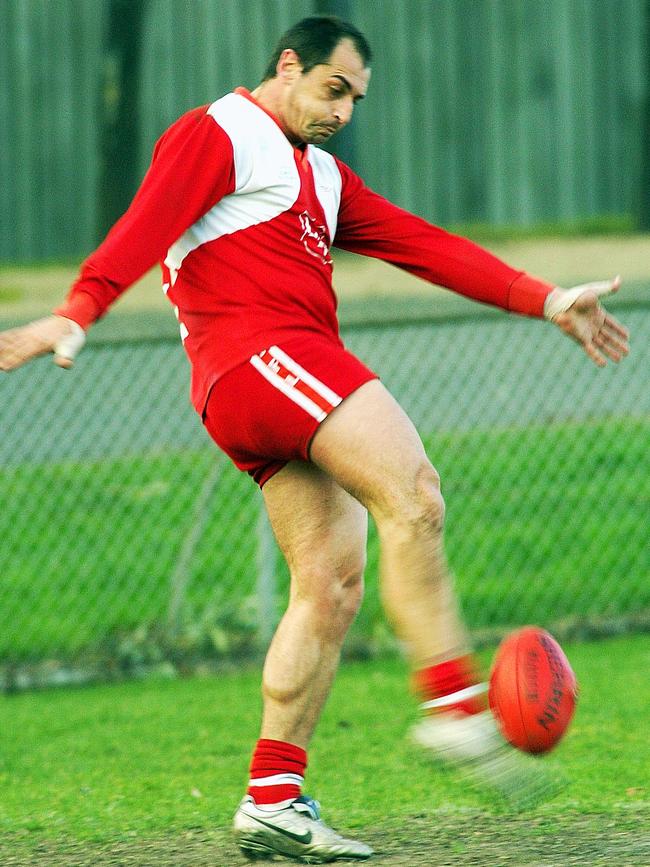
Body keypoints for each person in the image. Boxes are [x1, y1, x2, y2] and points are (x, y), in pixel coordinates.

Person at [0, 15, 629, 864]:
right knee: (415, 492)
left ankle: (273, 795)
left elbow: (422, 245)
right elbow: (145, 223)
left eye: (356, 100)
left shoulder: (322, 176)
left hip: (266, 384)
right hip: (263, 359)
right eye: (332, 89)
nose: (342, 110)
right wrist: (78, 309)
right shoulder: (221, 129)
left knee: (330, 583)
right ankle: (450, 705)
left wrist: (547, 298)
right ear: (288, 66)